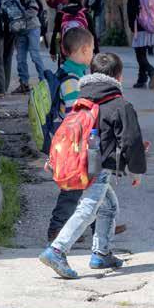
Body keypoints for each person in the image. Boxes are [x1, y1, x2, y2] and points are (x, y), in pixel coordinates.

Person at [39, 52, 147, 279]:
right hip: (99, 168)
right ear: (119, 77)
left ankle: (101, 252)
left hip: (79, 163)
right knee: (88, 209)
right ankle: (57, 250)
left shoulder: (82, 100)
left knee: (108, 207)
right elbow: (131, 141)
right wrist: (135, 170)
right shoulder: (120, 105)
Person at [45, 27, 95, 242]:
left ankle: (100, 226)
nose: (93, 53)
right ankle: (57, 229)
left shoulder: (70, 72)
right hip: (73, 143)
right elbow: (75, 115)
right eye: (92, 49)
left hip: (73, 141)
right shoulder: (72, 80)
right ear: (84, 50)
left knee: (93, 182)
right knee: (74, 186)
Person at [2, 0, 45, 94]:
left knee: (35, 55)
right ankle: (24, 84)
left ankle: (43, 82)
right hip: (20, 31)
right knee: (20, 58)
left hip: (32, 28)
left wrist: (21, 17)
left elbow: (35, 8)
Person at [126, 0, 154, 90]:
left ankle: (152, 71)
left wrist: (131, 27)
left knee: (140, 55)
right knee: (142, 53)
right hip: (151, 27)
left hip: (139, 27)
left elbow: (131, 13)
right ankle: (141, 79)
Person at [49, 0, 98, 67]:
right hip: (82, 50)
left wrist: (52, 51)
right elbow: (93, 34)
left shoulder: (61, 13)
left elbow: (56, 33)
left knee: (65, 72)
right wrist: (96, 51)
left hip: (66, 50)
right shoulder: (85, 13)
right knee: (80, 73)